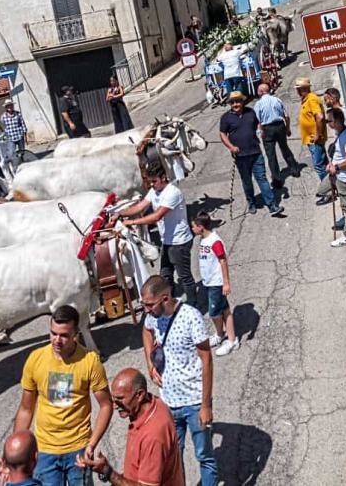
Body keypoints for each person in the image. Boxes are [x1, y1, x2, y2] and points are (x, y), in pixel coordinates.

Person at [13, 305, 113, 486]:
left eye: (64, 335)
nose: (57, 340)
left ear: (76, 334)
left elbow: (106, 405)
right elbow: (26, 409)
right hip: (44, 451)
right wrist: (16, 454)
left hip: (78, 450)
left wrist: (91, 443)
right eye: (53, 333)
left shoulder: (90, 361)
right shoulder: (35, 359)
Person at [141, 275, 218, 486]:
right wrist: (150, 362)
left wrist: (205, 405)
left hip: (194, 401)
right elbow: (146, 332)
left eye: (149, 304)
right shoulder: (153, 317)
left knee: (204, 456)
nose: (146, 310)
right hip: (168, 403)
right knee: (172, 459)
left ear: (165, 298)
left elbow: (206, 359)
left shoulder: (191, 317)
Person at [76, 368, 183, 486]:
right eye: (113, 399)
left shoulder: (153, 436)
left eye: (120, 399)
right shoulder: (154, 403)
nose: (115, 406)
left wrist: (108, 472)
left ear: (140, 395)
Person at [113, 165, 197, 307]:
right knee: (165, 275)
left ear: (163, 178)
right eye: (150, 182)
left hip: (179, 241)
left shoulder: (172, 193)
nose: (152, 185)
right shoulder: (154, 191)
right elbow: (140, 207)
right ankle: (170, 304)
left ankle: (193, 305)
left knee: (184, 276)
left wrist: (131, 222)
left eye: (154, 181)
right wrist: (119, 213)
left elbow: (157, 217)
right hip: (168, 241)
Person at [219, 91, 284, 216]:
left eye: (238, 101)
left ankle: (272, 205)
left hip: (255, 152)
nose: (235, 104)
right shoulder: (226, 118)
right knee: (247, 181)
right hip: (240, 155)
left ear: (242, 102)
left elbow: (257, 124)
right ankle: (251, 203)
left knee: (262, 178)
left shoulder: (250, 112)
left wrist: (260, 131)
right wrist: (231, 147)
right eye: (233, 102)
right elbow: (222, 134)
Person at [191, 211, 239, 356]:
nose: (192, 229)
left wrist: (226, 283)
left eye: (193, 226)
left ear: (201, 227)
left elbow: (223, 261)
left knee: (214, 313)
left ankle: (224, 337)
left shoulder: (215, 241)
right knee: (225, 310)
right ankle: (230, 338)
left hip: (216, 283)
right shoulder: (203, 240)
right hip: (209, 282)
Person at [316, 108, 346, 247]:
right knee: (322, 190)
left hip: (343, 177)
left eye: (329, 121)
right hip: (335, 174)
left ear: (336, 122)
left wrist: (337, 167)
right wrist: (331, 164)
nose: (327, 123)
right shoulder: (341, 134)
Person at [254, 82, 300, 189]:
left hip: (267, 128)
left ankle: (277, 179)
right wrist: (287, 128)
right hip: (280, 126)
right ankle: (294, 169)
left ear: (261, 92)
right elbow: (286, 116)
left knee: (271, 155)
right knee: (285, 148)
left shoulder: (259, 104)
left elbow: (258, 121)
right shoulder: (277, 100)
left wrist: (260, 132)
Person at [295, 77, 328, 183]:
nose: (298, 91)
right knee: (324, 163)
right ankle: (332, 187)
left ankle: (326, 190)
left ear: (305, 89)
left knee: (319, 165)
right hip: (311, 139)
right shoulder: (306, 100)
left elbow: (320, 117)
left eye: (299, 89)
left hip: (315, 139)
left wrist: (318, 134)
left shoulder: (311, 99)